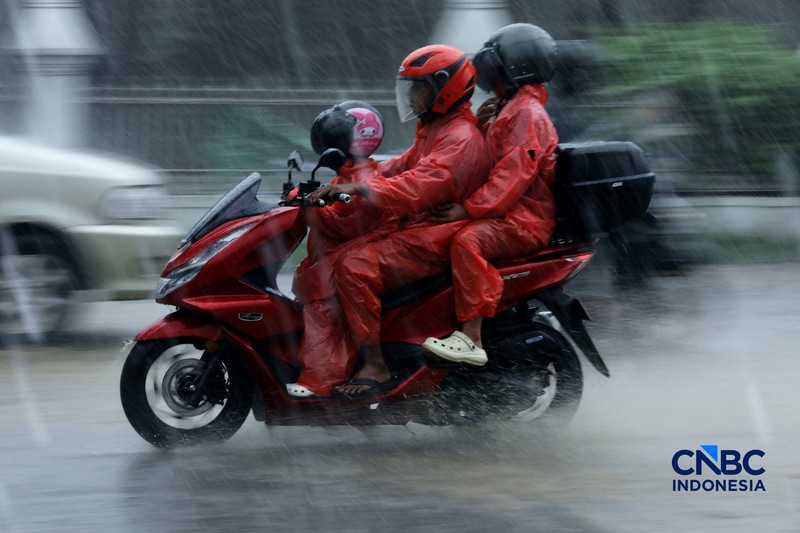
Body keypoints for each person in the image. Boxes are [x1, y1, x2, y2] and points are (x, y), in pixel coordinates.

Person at [307, 44, 492, 397]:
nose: (411, 97)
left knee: (354, 266)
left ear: (443, 88)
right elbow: (402, 165)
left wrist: (363, 187)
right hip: (424, 226)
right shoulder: (436, 128)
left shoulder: (460, 137)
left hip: (440, 231)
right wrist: (349, 177)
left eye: (418, 88)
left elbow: (418, 186)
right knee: (348, 251)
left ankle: (376, 365)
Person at [421, 23, 560, 365]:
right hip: (507, 213)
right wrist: (483, 125)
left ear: (513, 66)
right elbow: (490, 160)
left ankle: (471, 338)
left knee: (467, 241)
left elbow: (512, 175)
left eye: (491, 63)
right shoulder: (509, 108)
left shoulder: (526, 113)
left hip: (522, 220)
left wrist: (467, 210)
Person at [286, 101, 402, 398]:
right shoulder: (348, 176)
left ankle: (325, 378)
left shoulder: (365, 177)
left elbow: (345, 226)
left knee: (326, 298)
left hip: (363, 252)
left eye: (333, 139)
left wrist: (311, 206)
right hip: (351, 251)